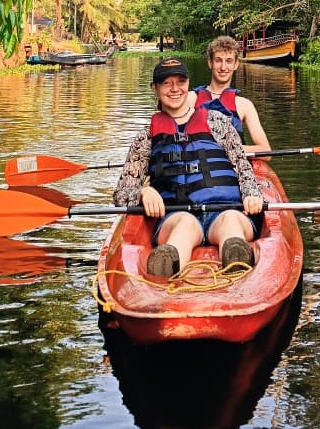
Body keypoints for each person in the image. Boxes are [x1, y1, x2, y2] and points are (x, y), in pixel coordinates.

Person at [113, 57, 264, 278]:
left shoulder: (218, 122)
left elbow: (243, 169)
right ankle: (167, 268)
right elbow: (121, 195)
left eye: (180, 82)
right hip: (175, 216)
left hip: (226, 209)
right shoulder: (146, 138)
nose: (175, 89)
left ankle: (236, 262)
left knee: (231, 221)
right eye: (166, 83)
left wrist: (251, 194)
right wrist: (144, 192)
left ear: (188, 84)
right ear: (154, 88)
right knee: (184, 224)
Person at [188, 35, 271, 154]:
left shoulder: (244, 105)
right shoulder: (191, 98)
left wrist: (225, 147)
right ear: (210, 63)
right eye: (218, 60)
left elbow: (265, 151)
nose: (223, 67)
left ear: (236, 64)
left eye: (229, 61)